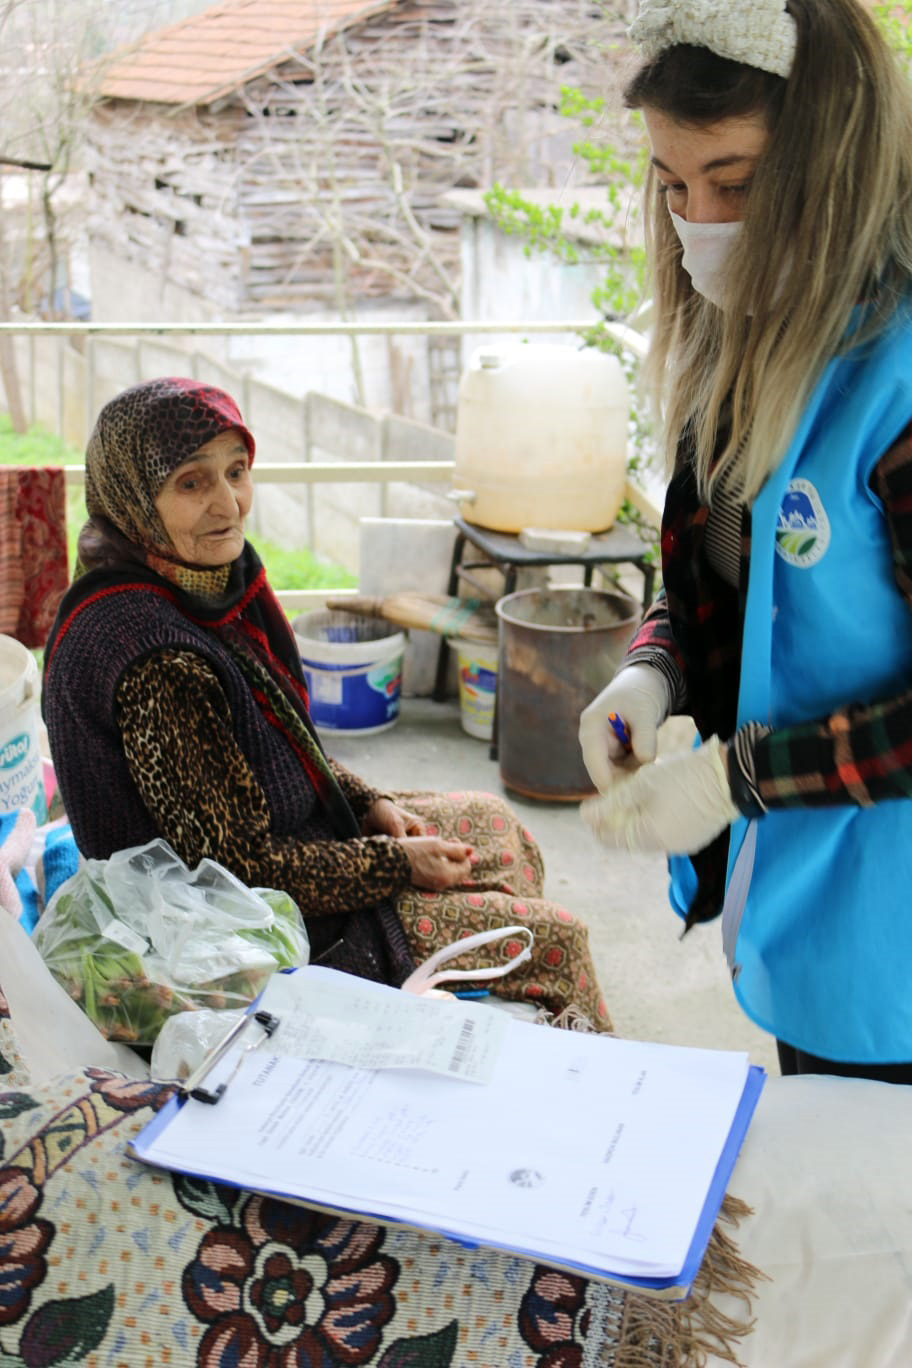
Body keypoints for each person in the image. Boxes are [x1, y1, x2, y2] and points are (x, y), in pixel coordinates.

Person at [42, 377, 611, 1028]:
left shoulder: (199, 582)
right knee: (556, 940)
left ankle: (485, 1009)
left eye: (236, 471)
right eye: (192, 483)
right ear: (136, 500)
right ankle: (562, 1067)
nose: (229, 504)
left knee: (494, 824)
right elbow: (237, 872)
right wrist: (395, 865)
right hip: (225, 927)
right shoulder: (159, 663)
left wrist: (368, 803)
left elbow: (277, 737)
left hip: (288, 847)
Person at [579, 0, 912, 1080]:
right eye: (673, 186)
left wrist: (743, 779)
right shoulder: (742, 346)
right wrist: (652, 671)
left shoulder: (895, 382)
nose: (700, 222)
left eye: (736, 179)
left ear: (835, 164)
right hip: (793, 912)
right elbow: (731, 569)